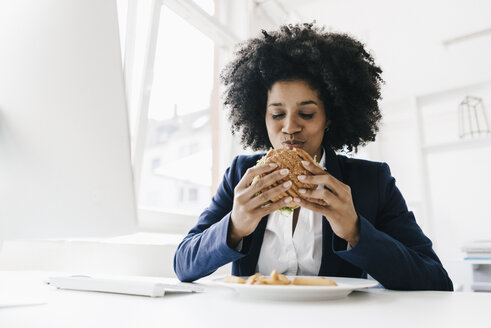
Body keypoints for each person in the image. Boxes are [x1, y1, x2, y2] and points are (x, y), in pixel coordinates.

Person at [173, 23, 453, 291]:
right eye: (277, 114)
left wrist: (355, 230)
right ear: (261, 115)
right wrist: (234, 226)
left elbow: (436, 280)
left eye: (306, 114)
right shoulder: (241, 175)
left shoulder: (372, 181)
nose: (290, 127)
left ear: (329, 117)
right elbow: (183, 265)